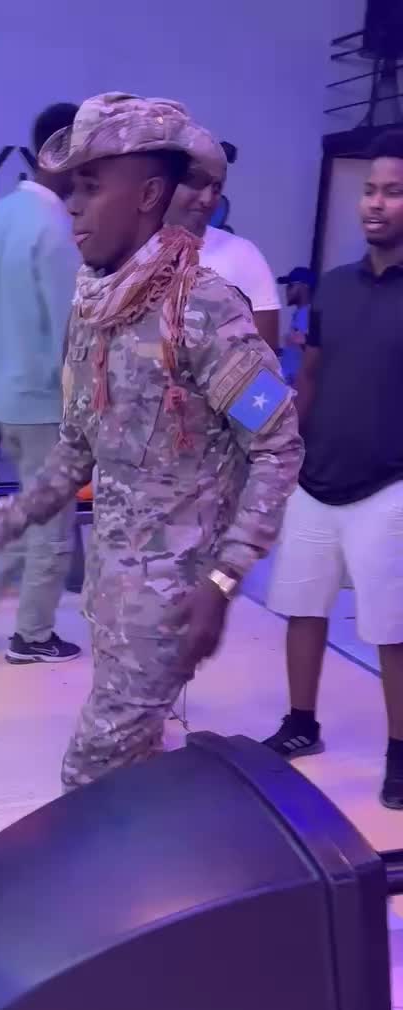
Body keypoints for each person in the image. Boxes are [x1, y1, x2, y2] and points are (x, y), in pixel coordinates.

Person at [0, 93, 302, 789]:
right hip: (111, 589)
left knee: (91, 771)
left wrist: (224, 580)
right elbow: (75, 451)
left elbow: (278, 443)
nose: (72, 207)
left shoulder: (205, 311)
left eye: (90, 187)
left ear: (148, 195)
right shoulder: (97, 307)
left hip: (171, 602)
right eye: (70, 188)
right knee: (133, 772)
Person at [263, 130, 403, 810]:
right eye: (370, 191)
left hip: (389, 483)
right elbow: (310, 376)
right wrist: (288, 449)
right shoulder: (335, 288)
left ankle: (400, 753)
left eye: (393, 192)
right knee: (302, 606)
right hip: (316, 478)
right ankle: (301, 723)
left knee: (391, 629)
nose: (375, 203)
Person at [0, 103, 82, 664]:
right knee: (53, 525)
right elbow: (69, 331)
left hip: (2, 396)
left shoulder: (0, 215)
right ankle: (32, 636)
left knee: (30, 508)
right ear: (64, 151)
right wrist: (87, 404)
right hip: (44, 401)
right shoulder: (56, 228)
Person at [165, 148, 280, 350]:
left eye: (216, 188)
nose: (207, 199)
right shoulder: (127, 249)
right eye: (196, 182)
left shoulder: (244, 256)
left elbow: (266, 360)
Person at [277, 266, 315, 386]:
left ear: (304, 287)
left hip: (295, 388)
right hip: (286, 384)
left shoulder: (310, 315)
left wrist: (305, 342)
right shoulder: (300, 313)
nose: (286, 290)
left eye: (290, 286)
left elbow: (314, 352)